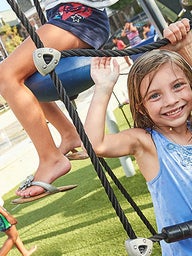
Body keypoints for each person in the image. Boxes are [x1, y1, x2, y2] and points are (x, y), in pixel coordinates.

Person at [85, 18, 192, 255]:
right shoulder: (148, 142)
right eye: (155, 96)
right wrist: (103, 88)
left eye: (178, 86)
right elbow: (96, 144)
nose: (171, 101)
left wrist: (183, 48)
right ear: (141, 107)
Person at [0, 0, 119, 201]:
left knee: (6, 75)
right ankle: (69, 134)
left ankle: (51, 159)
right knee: (24, 79)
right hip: (63, 16)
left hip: (79, 17)